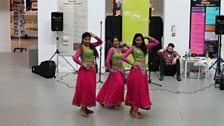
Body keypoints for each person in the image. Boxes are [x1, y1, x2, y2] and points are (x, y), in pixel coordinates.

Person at [122, 33, 159, 119]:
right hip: (136, 70)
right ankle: (134, 110)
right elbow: (123, 57)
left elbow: (156, 42)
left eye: (140, 40)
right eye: (137, 40)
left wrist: (148, 37)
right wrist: (132, 63)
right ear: (134, 40)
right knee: (136, 89)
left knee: (141, 89)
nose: (139, 41)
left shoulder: (145, 47)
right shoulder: (132, 48)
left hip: (143, 71)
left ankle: (133, 109)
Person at [72, 32, 103, 117]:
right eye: (85, 39)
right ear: (82, 39)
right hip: (85, 71)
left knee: (90, 88)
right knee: (85, 88)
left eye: (89, 39)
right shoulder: (81, 48)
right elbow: (75, 58)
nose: (87, 41)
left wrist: (95, 36)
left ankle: (85, 107)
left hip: (92, 70)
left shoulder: (92, 45)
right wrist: (83, 64)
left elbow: (100, 42)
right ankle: (82, 108)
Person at [96, 36, 128, 109]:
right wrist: (110, 69)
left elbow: (130, 49)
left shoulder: (121, 49)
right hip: (115, 69)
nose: (116, 42)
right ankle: (114, 102)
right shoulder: (111, 50)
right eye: (114, 41)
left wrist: (125, 44)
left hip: (121, 69)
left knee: (111, 85)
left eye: (117, 41)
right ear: (112, 43)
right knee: (118, 85)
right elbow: (107, 61)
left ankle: (106, 99)